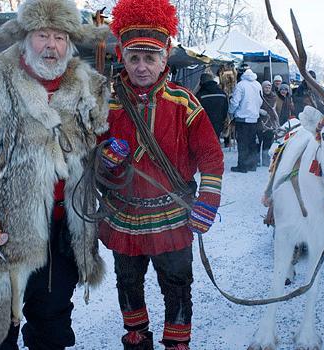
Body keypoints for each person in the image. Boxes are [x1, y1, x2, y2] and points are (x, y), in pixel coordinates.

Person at [0, 0, 109, 348]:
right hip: (7, 232)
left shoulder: (88, 86)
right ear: (24, 37)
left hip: (65, 230)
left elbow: (104, 147)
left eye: (60, 37)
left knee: (51, 327)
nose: (51, 45)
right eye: (42, 35)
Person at [101, 1, 224, 349]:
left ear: (164, 58)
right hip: (123, 214)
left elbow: (212, 157)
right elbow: (89, 163)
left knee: (177, 281)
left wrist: (208, 202)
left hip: (173, 214)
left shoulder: (184, 102)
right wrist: (106, 158)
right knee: (127, 279)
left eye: (150, 58)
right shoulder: (106, 104)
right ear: (122, 56)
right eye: (134, 58)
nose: (141, 67)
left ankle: (177, 341)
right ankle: (136, 336)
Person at [228, 68, 262, 173]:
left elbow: (235, 102)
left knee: (242, 143)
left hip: (242, 119)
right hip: (254, 118)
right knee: (252, 142)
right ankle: (252, 165)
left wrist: (230, 111)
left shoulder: (241, 85)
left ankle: (242, 166)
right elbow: (260, 100)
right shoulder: (258, 85)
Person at [195, 72, 228, 139]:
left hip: (204, 125)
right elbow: (225, 109)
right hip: (218, 124)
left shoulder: (200, 95)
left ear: (201, 82)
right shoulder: (222, 94)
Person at [258, 81, 278, 166]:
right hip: (259, 122)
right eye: (266, 87)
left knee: (267, 143)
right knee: (258, 142)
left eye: (269, 87)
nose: (267, 89)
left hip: (269, 124)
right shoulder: (259, 96)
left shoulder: (274, 97)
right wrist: (259, 110)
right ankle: (257, 160)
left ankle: (266, 161)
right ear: (262, 88)